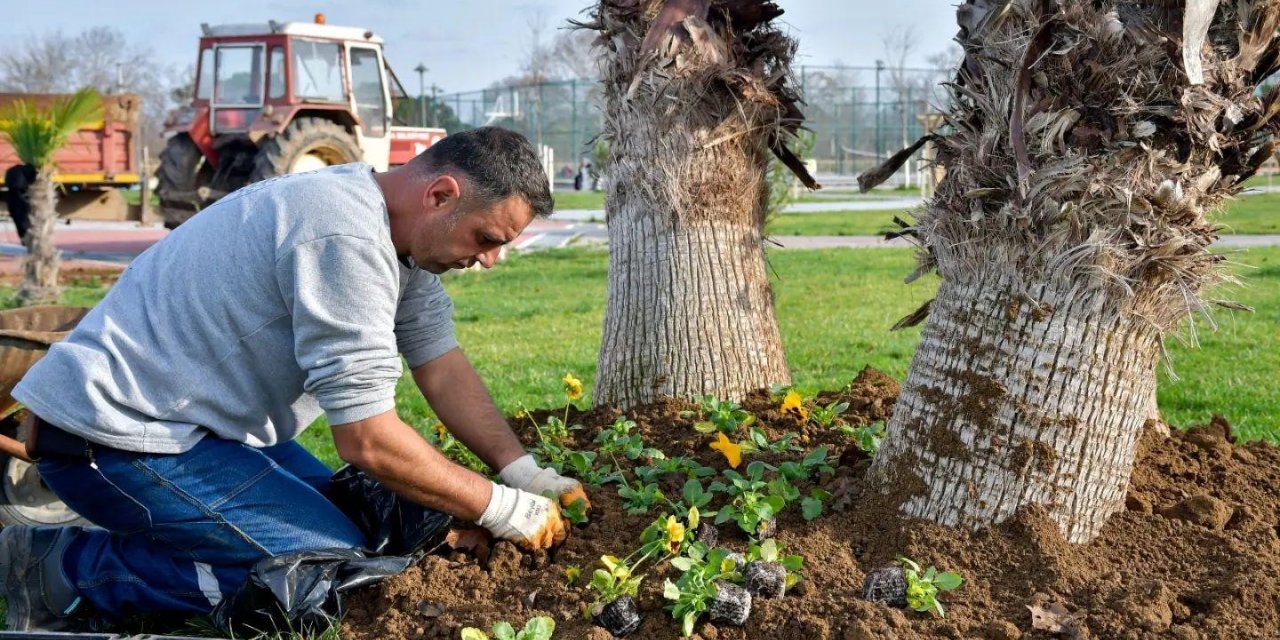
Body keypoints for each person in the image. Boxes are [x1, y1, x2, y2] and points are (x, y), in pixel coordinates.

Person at [0, 126, 588, 631]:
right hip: (112, 436)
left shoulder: (391, 232)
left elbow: (441, 364)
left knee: (362, 528)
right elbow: (367, 440)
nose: (489, 260)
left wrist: (522, 473)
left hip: (198, 426)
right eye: (487, 239)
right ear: (440, 194)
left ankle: (172, 537)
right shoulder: (344, 236)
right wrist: (504, 509)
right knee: (322, 571)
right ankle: (61, 568)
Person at [3, 163, 36, 243]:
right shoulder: (26, 171)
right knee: (25, 219)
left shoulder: (11, 171)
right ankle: (29, 239)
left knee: (19, 220)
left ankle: (25, 238)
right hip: (21, 196)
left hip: (12, 196)